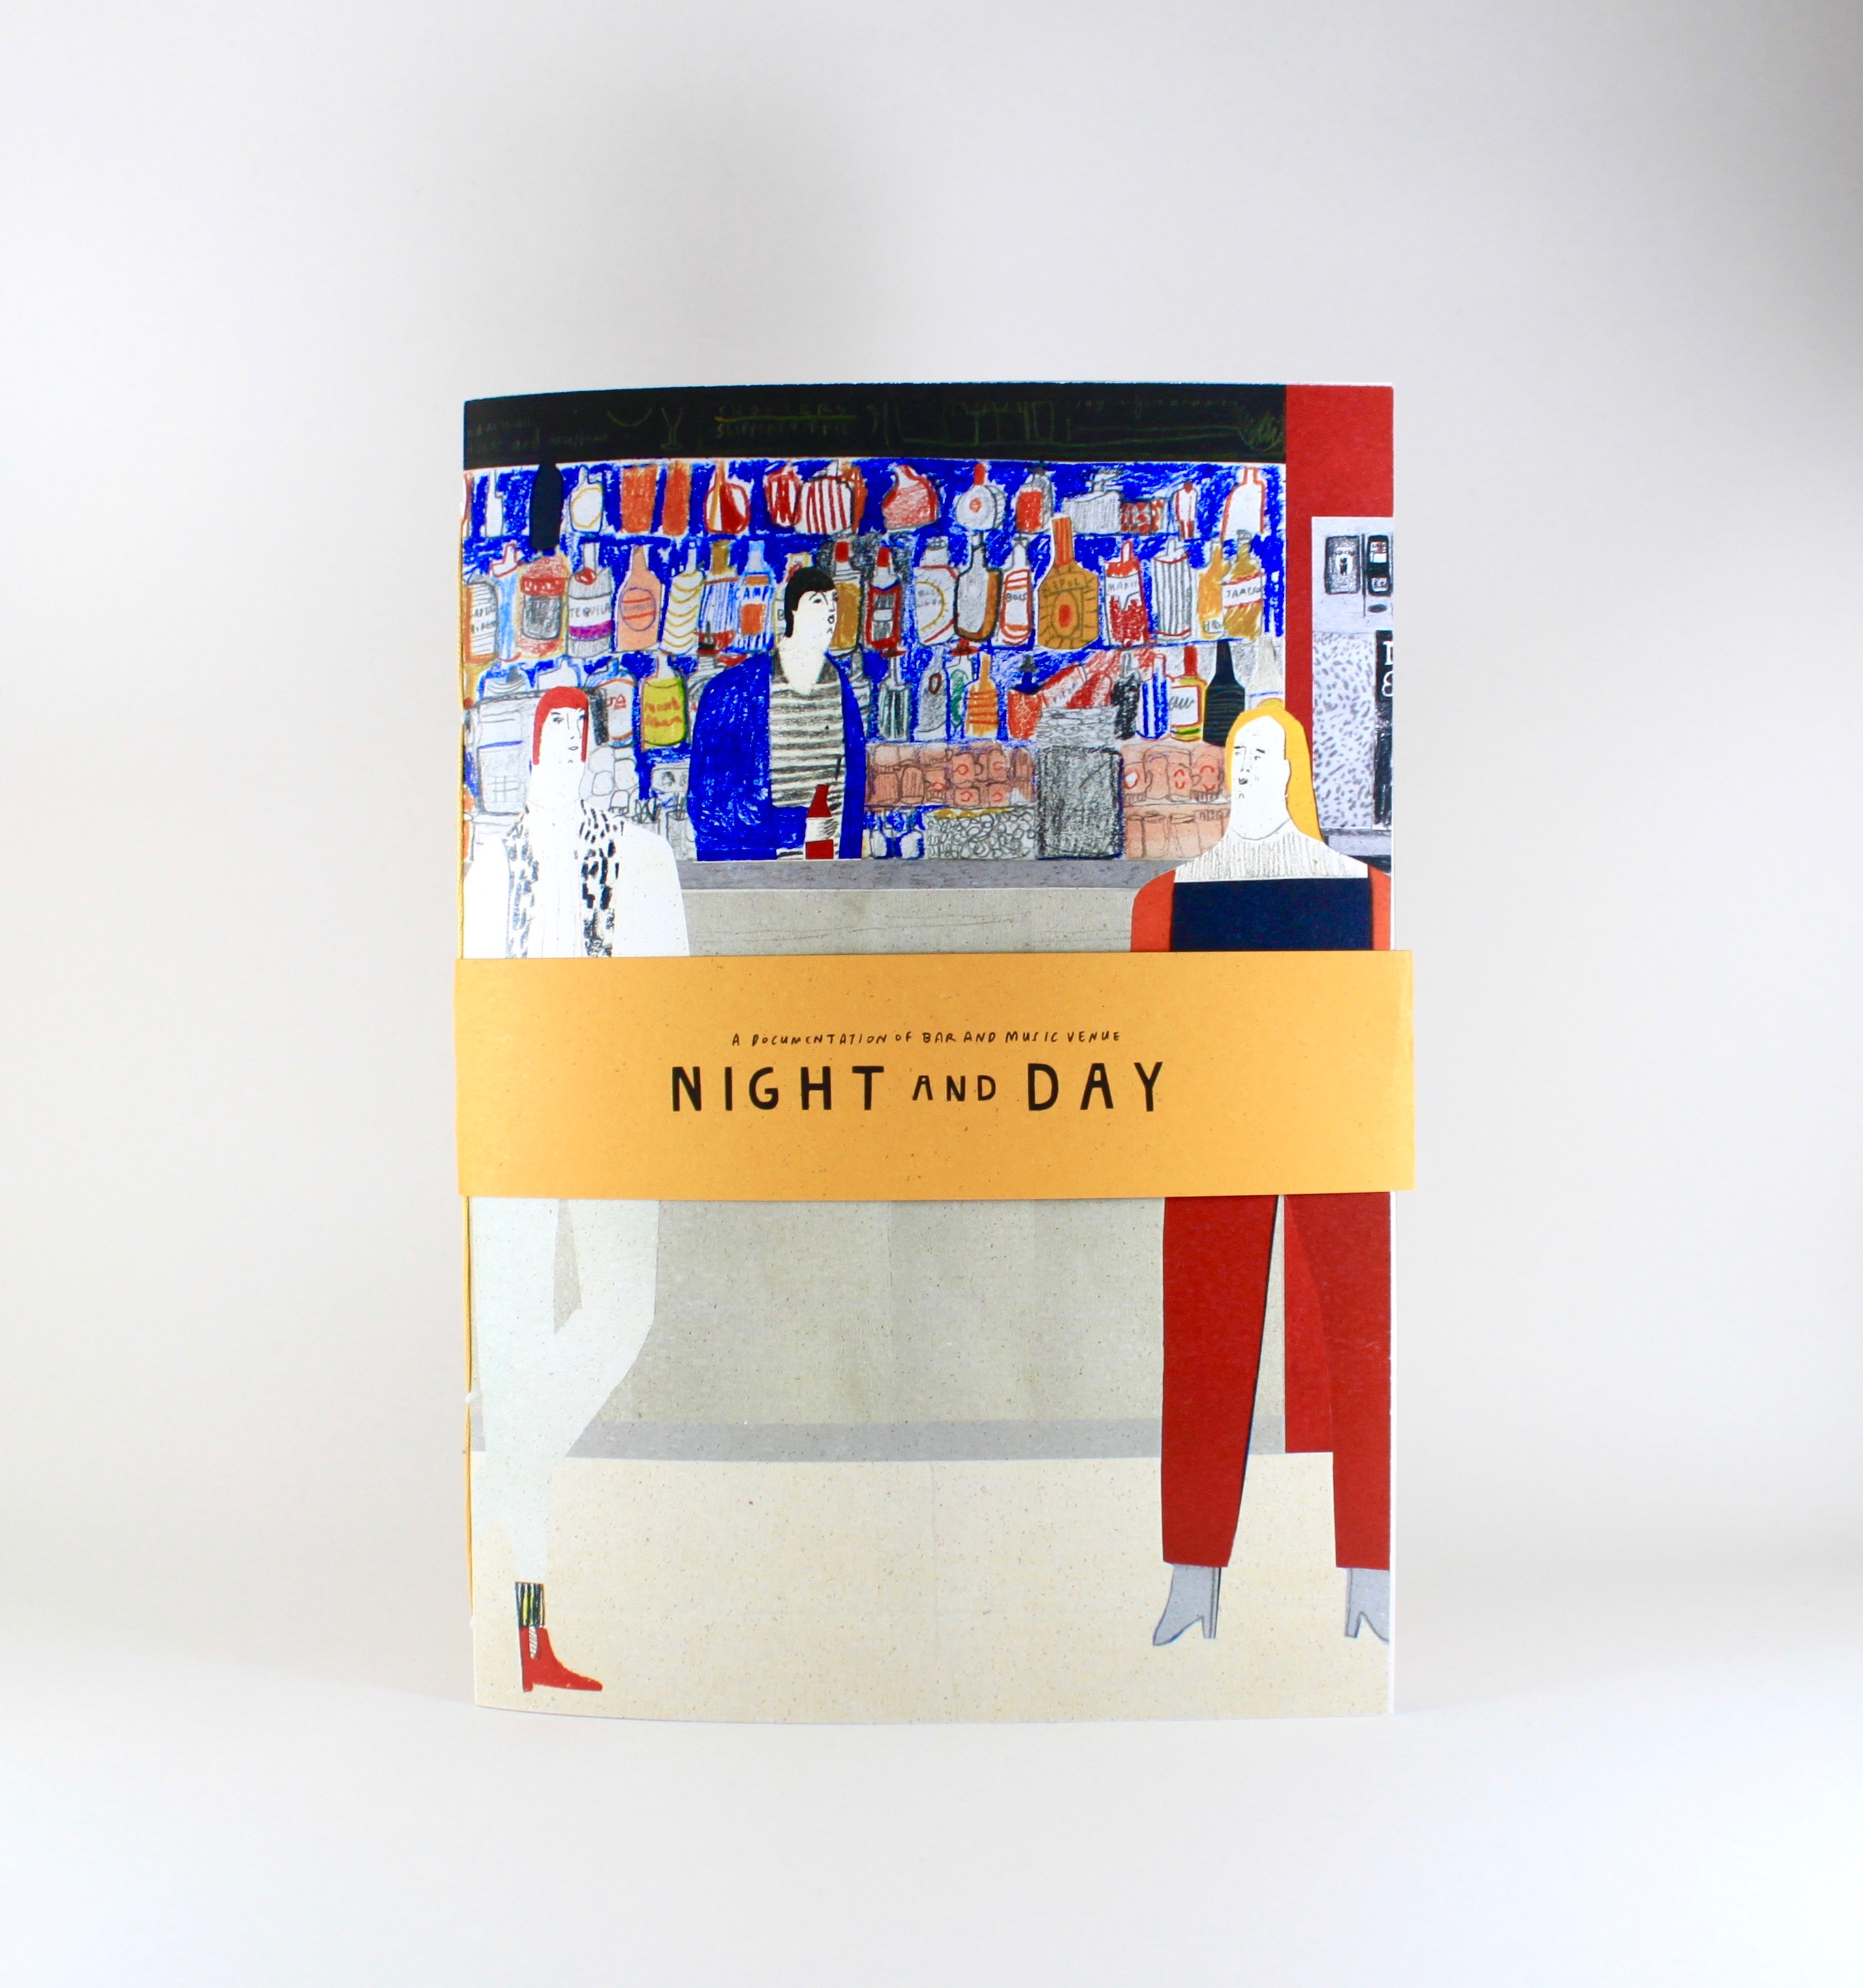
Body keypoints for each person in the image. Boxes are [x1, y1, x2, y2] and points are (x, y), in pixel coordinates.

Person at [1130, 702, 1393, 1648]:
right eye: (1237, 755)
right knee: (1203, 1348)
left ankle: (1374, 1574)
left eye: (1266, 755)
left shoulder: (1367, 893)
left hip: (1339, 1132)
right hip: (1215, 1136)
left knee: (1366, 1343)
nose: (1247, 770)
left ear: (1295, 773)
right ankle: (1192, 1577)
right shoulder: (1165, 900)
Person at [461, 686, 688, 1692]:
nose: (562, 747)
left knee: (622, 1309)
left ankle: (509, 1447)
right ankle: (529, 1638)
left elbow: (672, 997)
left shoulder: (640, 857)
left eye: (576, 732)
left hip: (610, 1111)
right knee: (510, 1344)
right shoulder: (491, 867)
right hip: (515, 1120)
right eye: (547, 731)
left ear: (596, 750)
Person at [686, 566, 868, 860]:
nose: (830, 613)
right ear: (790, 612)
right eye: (817, 602)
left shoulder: (839, 687)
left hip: (830, 873)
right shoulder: (733, 692)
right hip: (760, 875)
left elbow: (851, 798)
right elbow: (711, 809)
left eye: (833, 602)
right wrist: (796, 827)